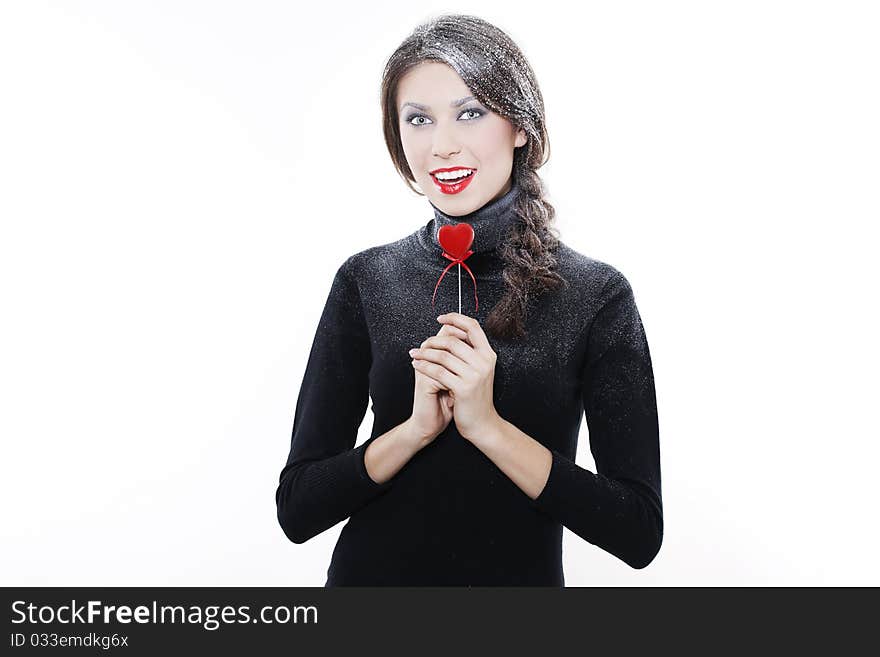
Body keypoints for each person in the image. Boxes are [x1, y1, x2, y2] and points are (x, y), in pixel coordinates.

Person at [275, 14, 662, 586]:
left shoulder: (597, 295)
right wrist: (413, 431)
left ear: (520, 126)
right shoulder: (366, 279)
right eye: (419, 120)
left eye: (470, 112)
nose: (443, 145)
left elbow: (637, 531)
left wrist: (488, 427)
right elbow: (298, 509)